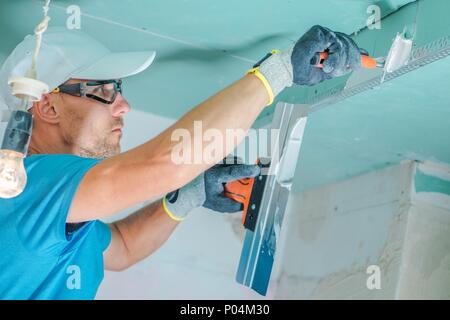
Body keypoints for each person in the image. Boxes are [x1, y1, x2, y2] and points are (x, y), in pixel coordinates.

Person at [0, 25, 362, 299]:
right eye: (104, 91)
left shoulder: (55, 209)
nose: (123, 106)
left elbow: (122, 246)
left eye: (120, 91)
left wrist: (186, 196)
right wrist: (279, 71)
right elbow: (165, 164)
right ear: (47, 106)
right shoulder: (25, 186)